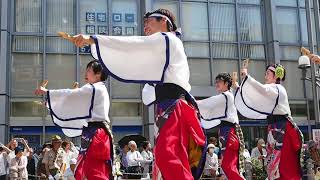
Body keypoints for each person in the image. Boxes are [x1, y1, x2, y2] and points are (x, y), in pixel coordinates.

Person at [68, 8, 206, 180]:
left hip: (173, 106)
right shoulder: (162, 47)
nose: (145, 26)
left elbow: (133, 46)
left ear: (164, 22)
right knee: (169, 156)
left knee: (168, 155)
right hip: (167, 106)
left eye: (149, 21)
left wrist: (94, 40)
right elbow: (137, 61)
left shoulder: (168, 39)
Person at [35, 60, 113, 180]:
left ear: (98, 74)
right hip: (94, 132)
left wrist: (47, 92)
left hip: (97, 134)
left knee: (94, 170)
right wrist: (49, 104)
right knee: (88, 169)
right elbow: (74, 102)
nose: (85, 73)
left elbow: (71, 95)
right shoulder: (95, 89)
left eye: (88, 70)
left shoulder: (94, 89)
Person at [234, 64, 303, 180]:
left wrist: (247, 77)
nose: (265, 76)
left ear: (276, 76)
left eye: (267, 73)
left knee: (284, 165)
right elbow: (255, 100)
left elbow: (262, 90)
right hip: (275, 129)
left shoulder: (278, 88)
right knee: (274, 164)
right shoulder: (272, 91)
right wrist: (238, 87)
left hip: (283, 129)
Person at [197, 73, 245, 180]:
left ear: (226, 83)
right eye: (216, 81)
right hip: (225, 131)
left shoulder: (226, 96)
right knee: (228, 166)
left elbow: (208, 103)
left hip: (230, 132)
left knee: (229, 166)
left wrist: (193, 102)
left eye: (219, 81)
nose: (217, 83)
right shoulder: (226, 96)